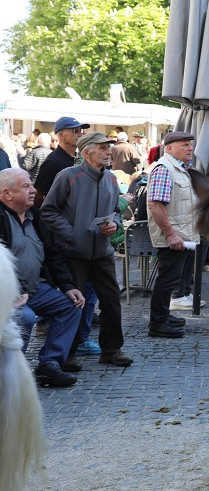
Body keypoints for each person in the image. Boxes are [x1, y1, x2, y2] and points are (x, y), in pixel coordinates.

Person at [39, 133, 131, 368]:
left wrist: (114, 225)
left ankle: (111, 350)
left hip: (102, 251)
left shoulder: (110, 178)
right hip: (73, 252)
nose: (108, 152)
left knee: (112, 301)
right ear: (86, 152)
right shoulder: (68, 176)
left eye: (108, 147)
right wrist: (71, 234)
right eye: (102, 148)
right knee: (74, 303)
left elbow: (116, 212)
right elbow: (48, 211)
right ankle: (66, 354)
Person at [0, 168, 84, 387]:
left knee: (71, 305)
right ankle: (10, 373)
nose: (33, 190)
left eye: (31, 185)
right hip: (8, 294)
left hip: (35, 289)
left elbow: (54, 255)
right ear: (7, 193)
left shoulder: (35, 217)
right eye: (25, 186)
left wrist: (67, 286)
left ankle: (49, 365)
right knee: (25, 318)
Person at [146, 131, 198, 338]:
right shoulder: (164, 168)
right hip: (174, 237)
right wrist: (171, 235)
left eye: (190, 145)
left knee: (171, 279)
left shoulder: (179, 169)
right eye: (184, 144)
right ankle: (158, 322)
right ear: (169, 148)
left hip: (182, 235)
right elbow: (156, 206)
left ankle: (163, 315)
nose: (190, 148)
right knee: (167, 280)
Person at [33, 116, 88, 208]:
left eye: (81, 131)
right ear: (61, 135)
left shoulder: (79, 158)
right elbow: (39, 196)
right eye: (75, 131)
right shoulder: (53, 162)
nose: (80, 134)